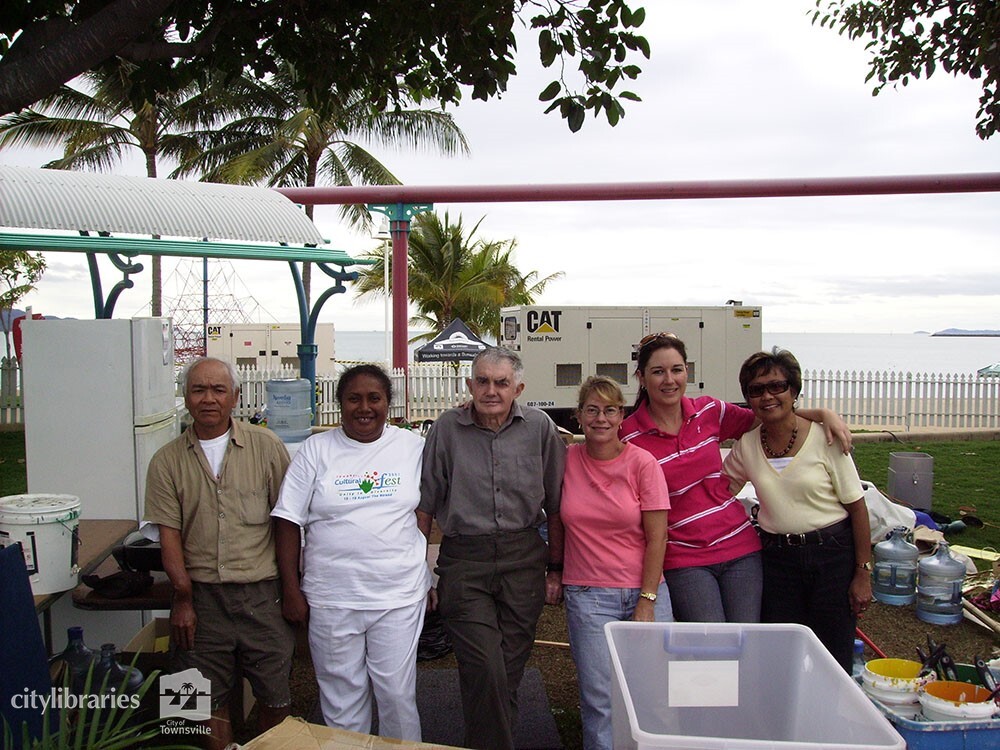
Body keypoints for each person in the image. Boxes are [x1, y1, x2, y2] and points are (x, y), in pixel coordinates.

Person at [619, 333, 852, 623]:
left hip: (740, 547)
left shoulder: (709, 411)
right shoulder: (628, 435)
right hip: (684, 557)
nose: (669, 379)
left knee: (746, 639)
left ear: (686, 372)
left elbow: (769, 414)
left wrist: (821, 413)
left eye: (676, 370)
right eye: (658, 372)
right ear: (641, 377)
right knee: (713, 644)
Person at [270, 364, 431, 740]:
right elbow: (287, 520)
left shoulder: (412, 447)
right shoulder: (315, 450)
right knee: (342, 699)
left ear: (388, 403)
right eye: (353, 398)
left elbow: (428, 509)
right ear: (339, 403)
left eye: (374, 398)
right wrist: (291, 589)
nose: (364, 407)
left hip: (398, 597)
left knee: (396, 694)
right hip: (331, 599)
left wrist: (426, 571)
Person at [417, 346, 566, 750]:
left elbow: (556, 504)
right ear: (469, 384)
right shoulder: (446, 429)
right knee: (484, 667)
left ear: (518, 387)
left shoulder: (540, 428)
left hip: (524, 560)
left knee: (508, 671)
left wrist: (556, 568)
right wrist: (419, 574)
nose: (491, 391)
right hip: (465, 562)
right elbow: (425, 506)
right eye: (482, 381)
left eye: (501, 383)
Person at [144, 357, 293, 750]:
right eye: (198, 390)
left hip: (262, 595)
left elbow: (288, 522)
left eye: (218, 390)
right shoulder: (166, 461)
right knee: (199, 702)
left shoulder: (267, 447)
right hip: (201, 598)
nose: (208, 399)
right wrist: (182, 597)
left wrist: (293, 589)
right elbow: (169, 535)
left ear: (235, 397)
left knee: (275, 695)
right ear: (187, 397)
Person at [723, 349, 872, 672]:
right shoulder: (747, 446)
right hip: (777, 560)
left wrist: (862, 572)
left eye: (777, 386)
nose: (767, 396)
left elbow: (858, 508)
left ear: (793, 391)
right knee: (782, 654)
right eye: (756, 390)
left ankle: (827, 721)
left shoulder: (826, 437)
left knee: (832, 656)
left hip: (832, 556)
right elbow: (720, 491)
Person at [559, 376, 671, 750]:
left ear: (622, 415)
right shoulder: (565, 460)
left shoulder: (643, 464)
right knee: (600, 699)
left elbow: (658, 537)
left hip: (643, 593)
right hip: (588, 597)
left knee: (653, 696)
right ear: (578, 416)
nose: (600, 418)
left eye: (609, 410)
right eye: (591, 410)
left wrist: (647, 599)